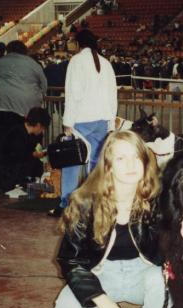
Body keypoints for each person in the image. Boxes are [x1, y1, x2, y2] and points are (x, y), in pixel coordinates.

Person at [53, 130, 169, 308]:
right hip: (102, 272)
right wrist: (100, 299)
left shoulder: (158, 199)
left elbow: (173, 245)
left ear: (146, 162)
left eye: (136, 157)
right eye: (121, 158)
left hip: (144, 272)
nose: (130, 164)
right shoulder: (84, 201)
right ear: (108, 166)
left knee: (160, 282)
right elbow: (70, 260)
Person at [48, 29, 117, 218]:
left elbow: (73, 94)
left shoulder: (76, 61)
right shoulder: (106, 63)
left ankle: (66, 204)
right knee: (95, 164)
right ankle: (93, 204)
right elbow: (113, 94)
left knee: (72, 163)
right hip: (102, 120)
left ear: (78, 44)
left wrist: (67, 123)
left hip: (82, 120)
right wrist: (111, 121)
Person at [0, 40, 48, 148]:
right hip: (24, 108)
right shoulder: (33, 64)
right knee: (24, 143)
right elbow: (44, 86)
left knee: (1, 141)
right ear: (25, 51)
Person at [0, 107, 50, 191]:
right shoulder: (16, 132)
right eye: (43, 128)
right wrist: (33, 154)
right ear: (38, 125)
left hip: (13, 167)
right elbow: (16, 156)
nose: (42, 131)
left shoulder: (32, 135)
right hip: (4, 169)